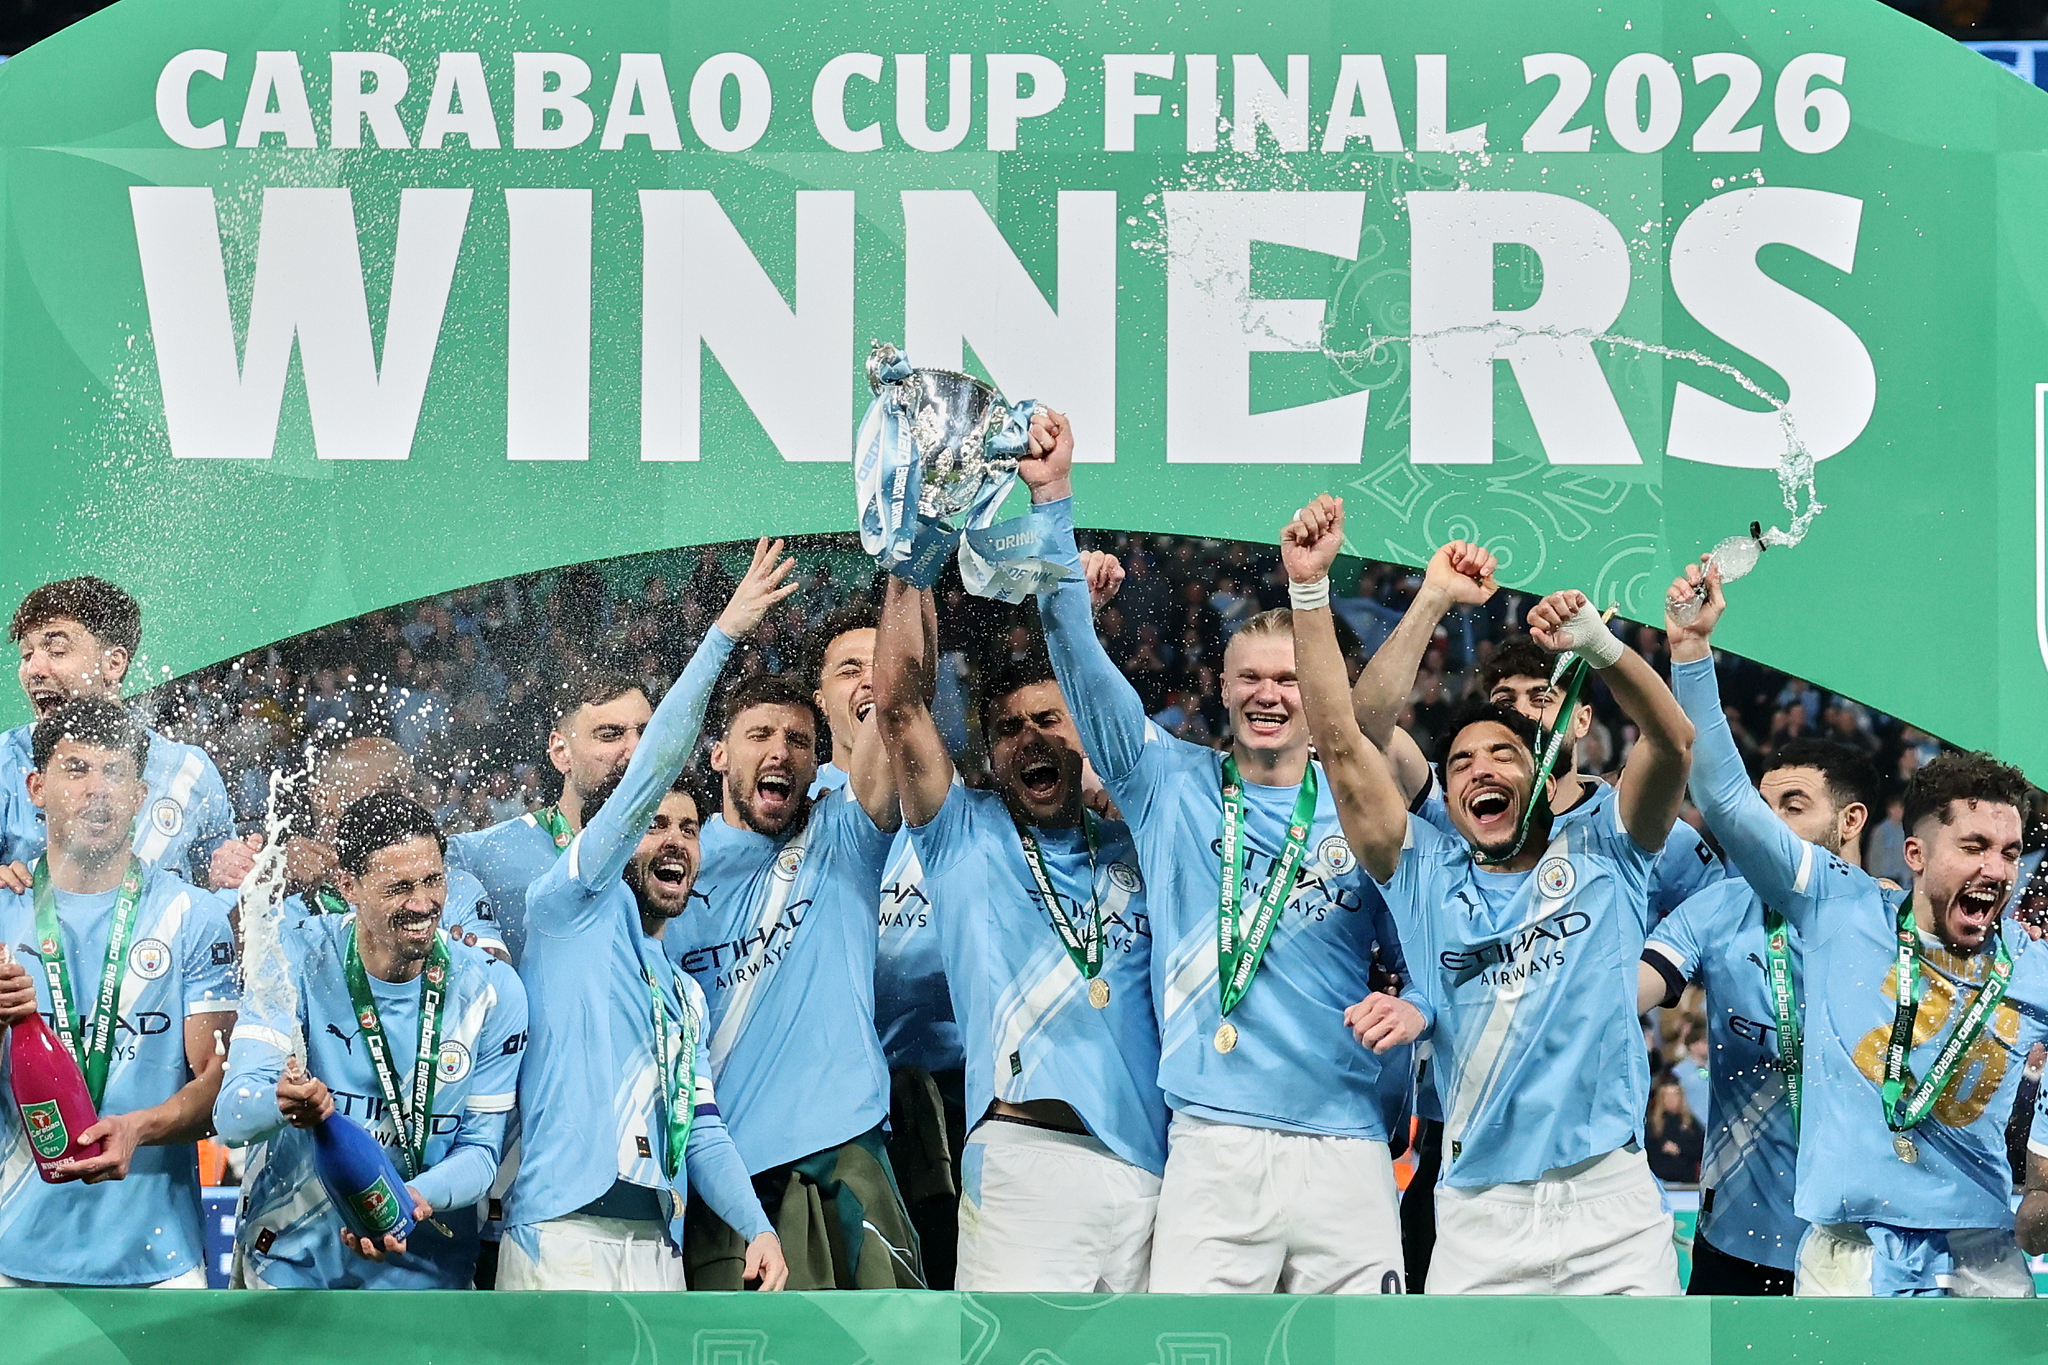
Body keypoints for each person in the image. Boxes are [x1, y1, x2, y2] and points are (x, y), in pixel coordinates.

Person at [1028, 420, 1428, 1295]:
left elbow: (1429, 950)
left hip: (1347, 1146)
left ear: (1313, 692)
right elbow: (1079, 662)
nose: (1269, 695)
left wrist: (1422, 1004)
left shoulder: (1363, 808)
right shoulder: (1166, 781)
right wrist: (1052, 504)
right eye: (1250, 678)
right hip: (1213, 1143)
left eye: (1289, 680)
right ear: (1221, 685)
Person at [1287, 493, 1696, 1295]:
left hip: (1610, 1202)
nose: (1478, 767)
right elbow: (1340, 745)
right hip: (1479, 1213)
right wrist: (1307, 592)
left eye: (1504, 753)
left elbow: (1674, 740)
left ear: (1543, 772)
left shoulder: (1613, 846)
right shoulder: (1425, 869)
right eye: (1462, 759)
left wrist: (1600, 646)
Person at [1666, 558, 2048, 1297]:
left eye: (2008, 851)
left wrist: (2042, 1168)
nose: (1997, 869)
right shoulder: (1838, 906)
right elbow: (1727, 798)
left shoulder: (2029, 964)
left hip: (1979, 1256)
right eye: (1973, 847)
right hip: (1847, 1255)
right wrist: (1689, 655)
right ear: (1915, 854)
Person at [500, 540, 793, 1293]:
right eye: (655, 824)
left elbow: (706, 1129)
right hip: (561, 1240)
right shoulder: (566, 908)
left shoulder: (684, 992)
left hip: (658, 1250)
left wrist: (756, 1224)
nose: (675, 841)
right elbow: (652, 766)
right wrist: (722, 634)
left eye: (691, 829)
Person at [873, 573, 1167, 1291]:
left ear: (1085, 730)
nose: (1029, 737)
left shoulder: (1141, 846)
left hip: (1155, 1175)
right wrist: (911, 564)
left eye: (1048, 719)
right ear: (991, 754)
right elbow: (898, 705)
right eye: (1008, 728)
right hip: (1023, 1162)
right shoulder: (961, 833)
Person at [671, 646, 922, 1290]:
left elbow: (900, 703)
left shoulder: (843, 835)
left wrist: (908, 567)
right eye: (759, 735)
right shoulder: (671, 875)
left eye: (798, 740)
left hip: (846, 1150)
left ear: (818, 765)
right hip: (723, 1172)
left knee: (893, 1349)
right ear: (718, 754)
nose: (779, 750)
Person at [213, 794, 527, 1289]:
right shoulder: (293, 957)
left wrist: (405, 1201)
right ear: (349, 885)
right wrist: (283, 1102)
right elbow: (231, 1117)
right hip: (291, 1276)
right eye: (399, 887)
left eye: (433, 881)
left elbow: (481, 1154)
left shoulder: (490, 991)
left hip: (428, 1282)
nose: (423, 904)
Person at [0, 698, 238, 1286]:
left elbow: (220, 1086)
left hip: (158, 1262)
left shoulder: (194, 915)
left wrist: (137, 1128)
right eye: (76, 769)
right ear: (36, 787)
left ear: (139, 795)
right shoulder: (3, 915)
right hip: (10, 1254)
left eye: (116, 773)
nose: (97, 790)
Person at [1639, 736, 1882, 1295]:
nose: (1765, 828)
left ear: (1851, 821)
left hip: (1862, 1250)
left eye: (1792, 808)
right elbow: (1625, 993)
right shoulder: (1719, 906)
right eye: (1761, 809)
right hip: (1735, 1243)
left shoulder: (1891, 924)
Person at [1352, 565, 1724, 920]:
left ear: (1583, 721)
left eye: (1541, 699)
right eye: (1505, 702)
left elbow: (1714, 928)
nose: (1524, 714)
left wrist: (1658, 974)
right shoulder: (1455, 802)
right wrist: (1432, 597)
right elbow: (1366, 731)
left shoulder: (1627, 820)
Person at [807, 599, 966, 1288]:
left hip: (951, 1102)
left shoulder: (960, 806)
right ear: (820, 699)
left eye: (885, 662)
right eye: (850, 669)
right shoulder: (794, 817)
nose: (871, 678)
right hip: (829, 1113)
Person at [1, 578, 232, 885]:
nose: (34, 669)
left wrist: (241, 878)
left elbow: (230, 901)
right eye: (27, 655)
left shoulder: (188, 773)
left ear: (113, 664)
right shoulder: (4, 761)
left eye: (56, 649)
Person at [214, 736, 502, 956]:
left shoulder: (452, 887)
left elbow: (495, 978)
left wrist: (447, 958)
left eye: (412, 789)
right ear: (323, 797)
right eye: (388, 790)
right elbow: (225, 975)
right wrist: (267, 891)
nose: (407, 800)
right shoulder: (264, 877)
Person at [447, 668, 654, 965]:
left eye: (647, 735)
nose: (636, 752)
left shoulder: (682, 856)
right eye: (610, 735)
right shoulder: (482, 855)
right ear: (561, 752)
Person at [1646, 1075, 1703, 1185]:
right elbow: (1647, 1149)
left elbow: (1699, 1149)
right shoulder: (1653, 1124)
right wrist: (1663, 1147)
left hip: (1686, 1181)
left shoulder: (1690, 1123)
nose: (1671, 1099)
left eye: (1675, 1095)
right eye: (1667, 1095)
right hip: (1658, 1182)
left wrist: (1679, 1150)